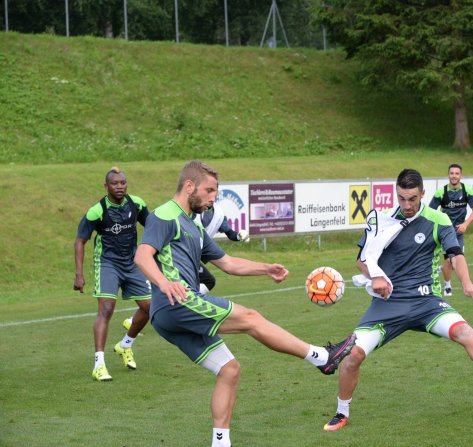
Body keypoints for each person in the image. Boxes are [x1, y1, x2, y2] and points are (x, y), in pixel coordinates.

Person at [134, 160, 356, 447]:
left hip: (171, 314)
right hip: (177, 302)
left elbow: (227, 263)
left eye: (216, 192)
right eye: (209, 190)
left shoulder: (195, 226)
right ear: (189, 186)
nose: (213, 198)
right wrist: (164, 283)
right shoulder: (165, 215)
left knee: (229, 369)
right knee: (251, 318)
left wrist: (266, 268)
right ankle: (322, 358)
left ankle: (221, 443)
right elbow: (142, 256)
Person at [322, 168, 473, 432]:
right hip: (388, 305)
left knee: (464, 331)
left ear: (423, 194)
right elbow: (361, 260)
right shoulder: (382, 221)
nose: (407, 205)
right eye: (402, 198)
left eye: (412, 199)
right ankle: (341, 413)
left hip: (426, 303)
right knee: (352, 355)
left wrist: (467, 282)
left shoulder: (438, 219)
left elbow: (455, 255)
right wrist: (376, 276)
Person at [74, 167, 152, 382]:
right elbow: (80, 240)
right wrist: (79, 274)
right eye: (115, 183)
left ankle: (125, 345)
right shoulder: (97, 211)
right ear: (106, 186)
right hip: (107, 263)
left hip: (132, 263)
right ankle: (99, 364)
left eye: (123, 182)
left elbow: (153, 227)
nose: (119, 187)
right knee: (106, 309)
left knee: (150, 308)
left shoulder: (137, 204)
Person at [122, 203, 249, 330]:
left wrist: (238, 236)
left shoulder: (218, 214)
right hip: (177, 257)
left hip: (192, 256)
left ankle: (182, 305)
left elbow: (229, 233)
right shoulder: (188, 209)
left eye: (214, 194)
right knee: (168, 288)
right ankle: (137, 319)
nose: (210, 198)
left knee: (205, 281)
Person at [429, 163, 473, 296]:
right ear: (448, 175)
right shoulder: (441, 193)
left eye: (457, 173)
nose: (454, 176)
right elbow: (430, 212)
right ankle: (447, 286)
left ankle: (443, 270)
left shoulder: (467, 191)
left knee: (456, 261)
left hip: (459, 232)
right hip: (445, 232)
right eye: (452, 173)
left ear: (460, 175)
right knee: (449, 260)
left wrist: (465, 224)